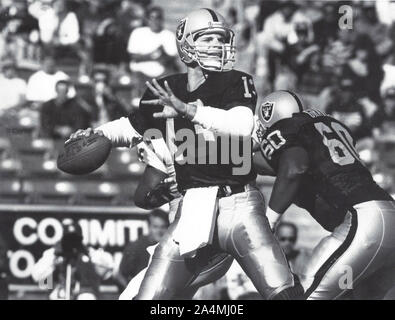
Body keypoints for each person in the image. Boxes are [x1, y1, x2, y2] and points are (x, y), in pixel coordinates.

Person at [68, 8, 302, 300]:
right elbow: (130, 127)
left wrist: (188, 110)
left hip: (239, 204)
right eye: (208, 39)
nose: (217, 46)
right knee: (148, 298)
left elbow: (241, 125)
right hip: (193, 209)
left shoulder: (235, 81)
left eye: (221, 39)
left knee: (283, 292)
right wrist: (97, 134)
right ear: (185, 43)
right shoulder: (168, 88)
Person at [253, 90, 395, 300]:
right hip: (387, 216)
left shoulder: (288, 129)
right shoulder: (317, 130)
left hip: (363, 222)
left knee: (306, 296)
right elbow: (269, 165)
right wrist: (217, 155)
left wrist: (269, 222)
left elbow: (294, 168)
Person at [31, 219, 113, 300]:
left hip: (83, 293)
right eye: (68, 240)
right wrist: (53, 259)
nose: (72, 244)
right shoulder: (52, 253)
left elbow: (109, 269)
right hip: (60, 292)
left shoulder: (89, 253)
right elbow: (36, 276)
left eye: (75, 240)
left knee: (87, 297)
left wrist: (88, 255)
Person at [115, 209, 169, 289]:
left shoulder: (171, 247)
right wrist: (132, 293)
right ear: (149, 227)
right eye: (155, 227)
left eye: (163, 227)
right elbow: (120, 275)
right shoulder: (136, 247)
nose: (159, 231)